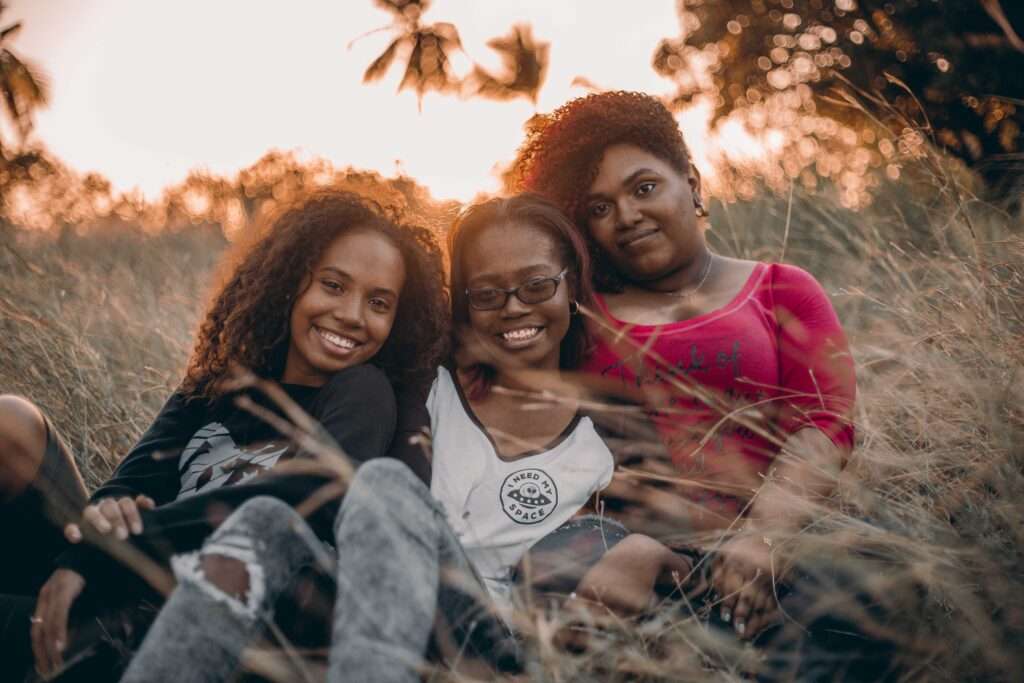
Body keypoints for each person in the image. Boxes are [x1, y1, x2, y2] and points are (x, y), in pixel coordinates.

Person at [119, 194, 696, 683]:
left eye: (536, 284)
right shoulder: (423, 384)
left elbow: (686, 539)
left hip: (501, 646)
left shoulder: (611, 422)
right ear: (462, 304)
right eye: (487, 294)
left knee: (384, 483)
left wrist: (651, 551)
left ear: (572, 285)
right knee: (272, 519)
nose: (514, 308)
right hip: (380, 613)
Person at [0, 190, 448, 680]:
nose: (351, 314)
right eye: (334, 285)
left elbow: (308, 493)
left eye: (378, 302)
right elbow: (129, 482)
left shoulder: (364, 392)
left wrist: (108, 552)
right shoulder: (214, 387)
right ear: (291, 281)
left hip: (205, 624)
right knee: (12, 422)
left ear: (396, 319)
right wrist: (102, 524)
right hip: (112, 583)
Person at [506, 91, 859, 649]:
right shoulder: (572, 316)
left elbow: (825, 423)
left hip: (772, 556)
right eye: (598, 208)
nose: (626, 216)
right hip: (615, 567)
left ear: (691, 183)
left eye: (644, 188)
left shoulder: (780, 288)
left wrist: (763, 540)